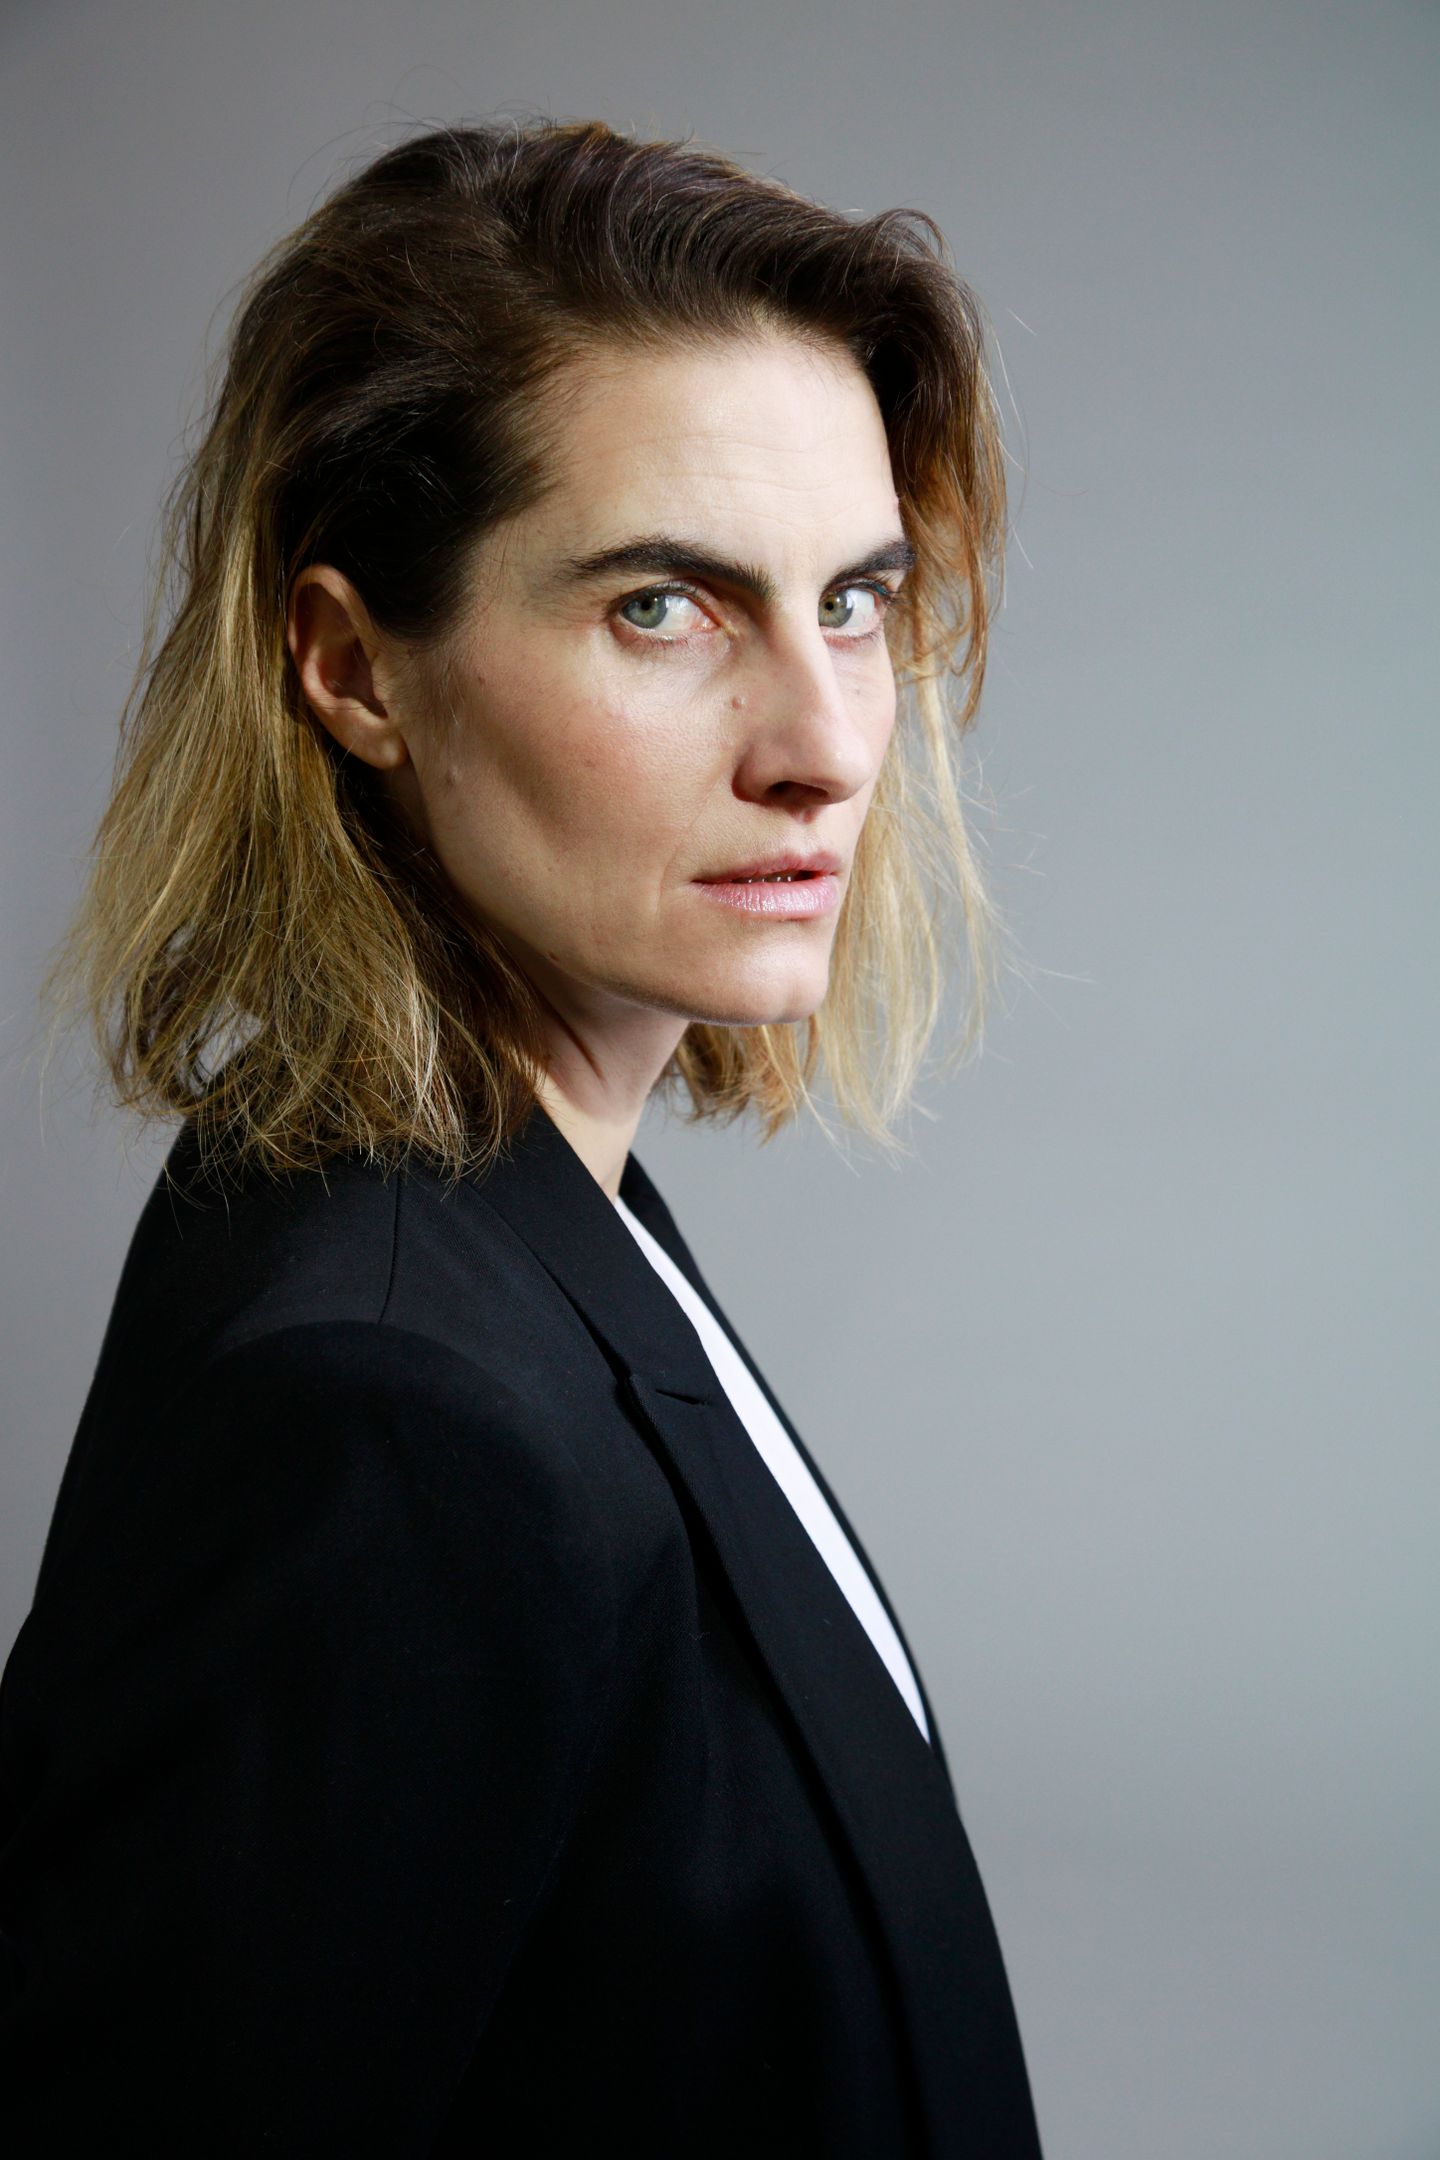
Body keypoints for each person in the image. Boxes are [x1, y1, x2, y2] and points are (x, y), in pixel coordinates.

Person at [0, 117, 1043, 2156]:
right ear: (353, 669)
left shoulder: (520, 1203)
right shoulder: (389, 1404)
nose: (827, 743)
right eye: (664, 608)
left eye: (854, 600)